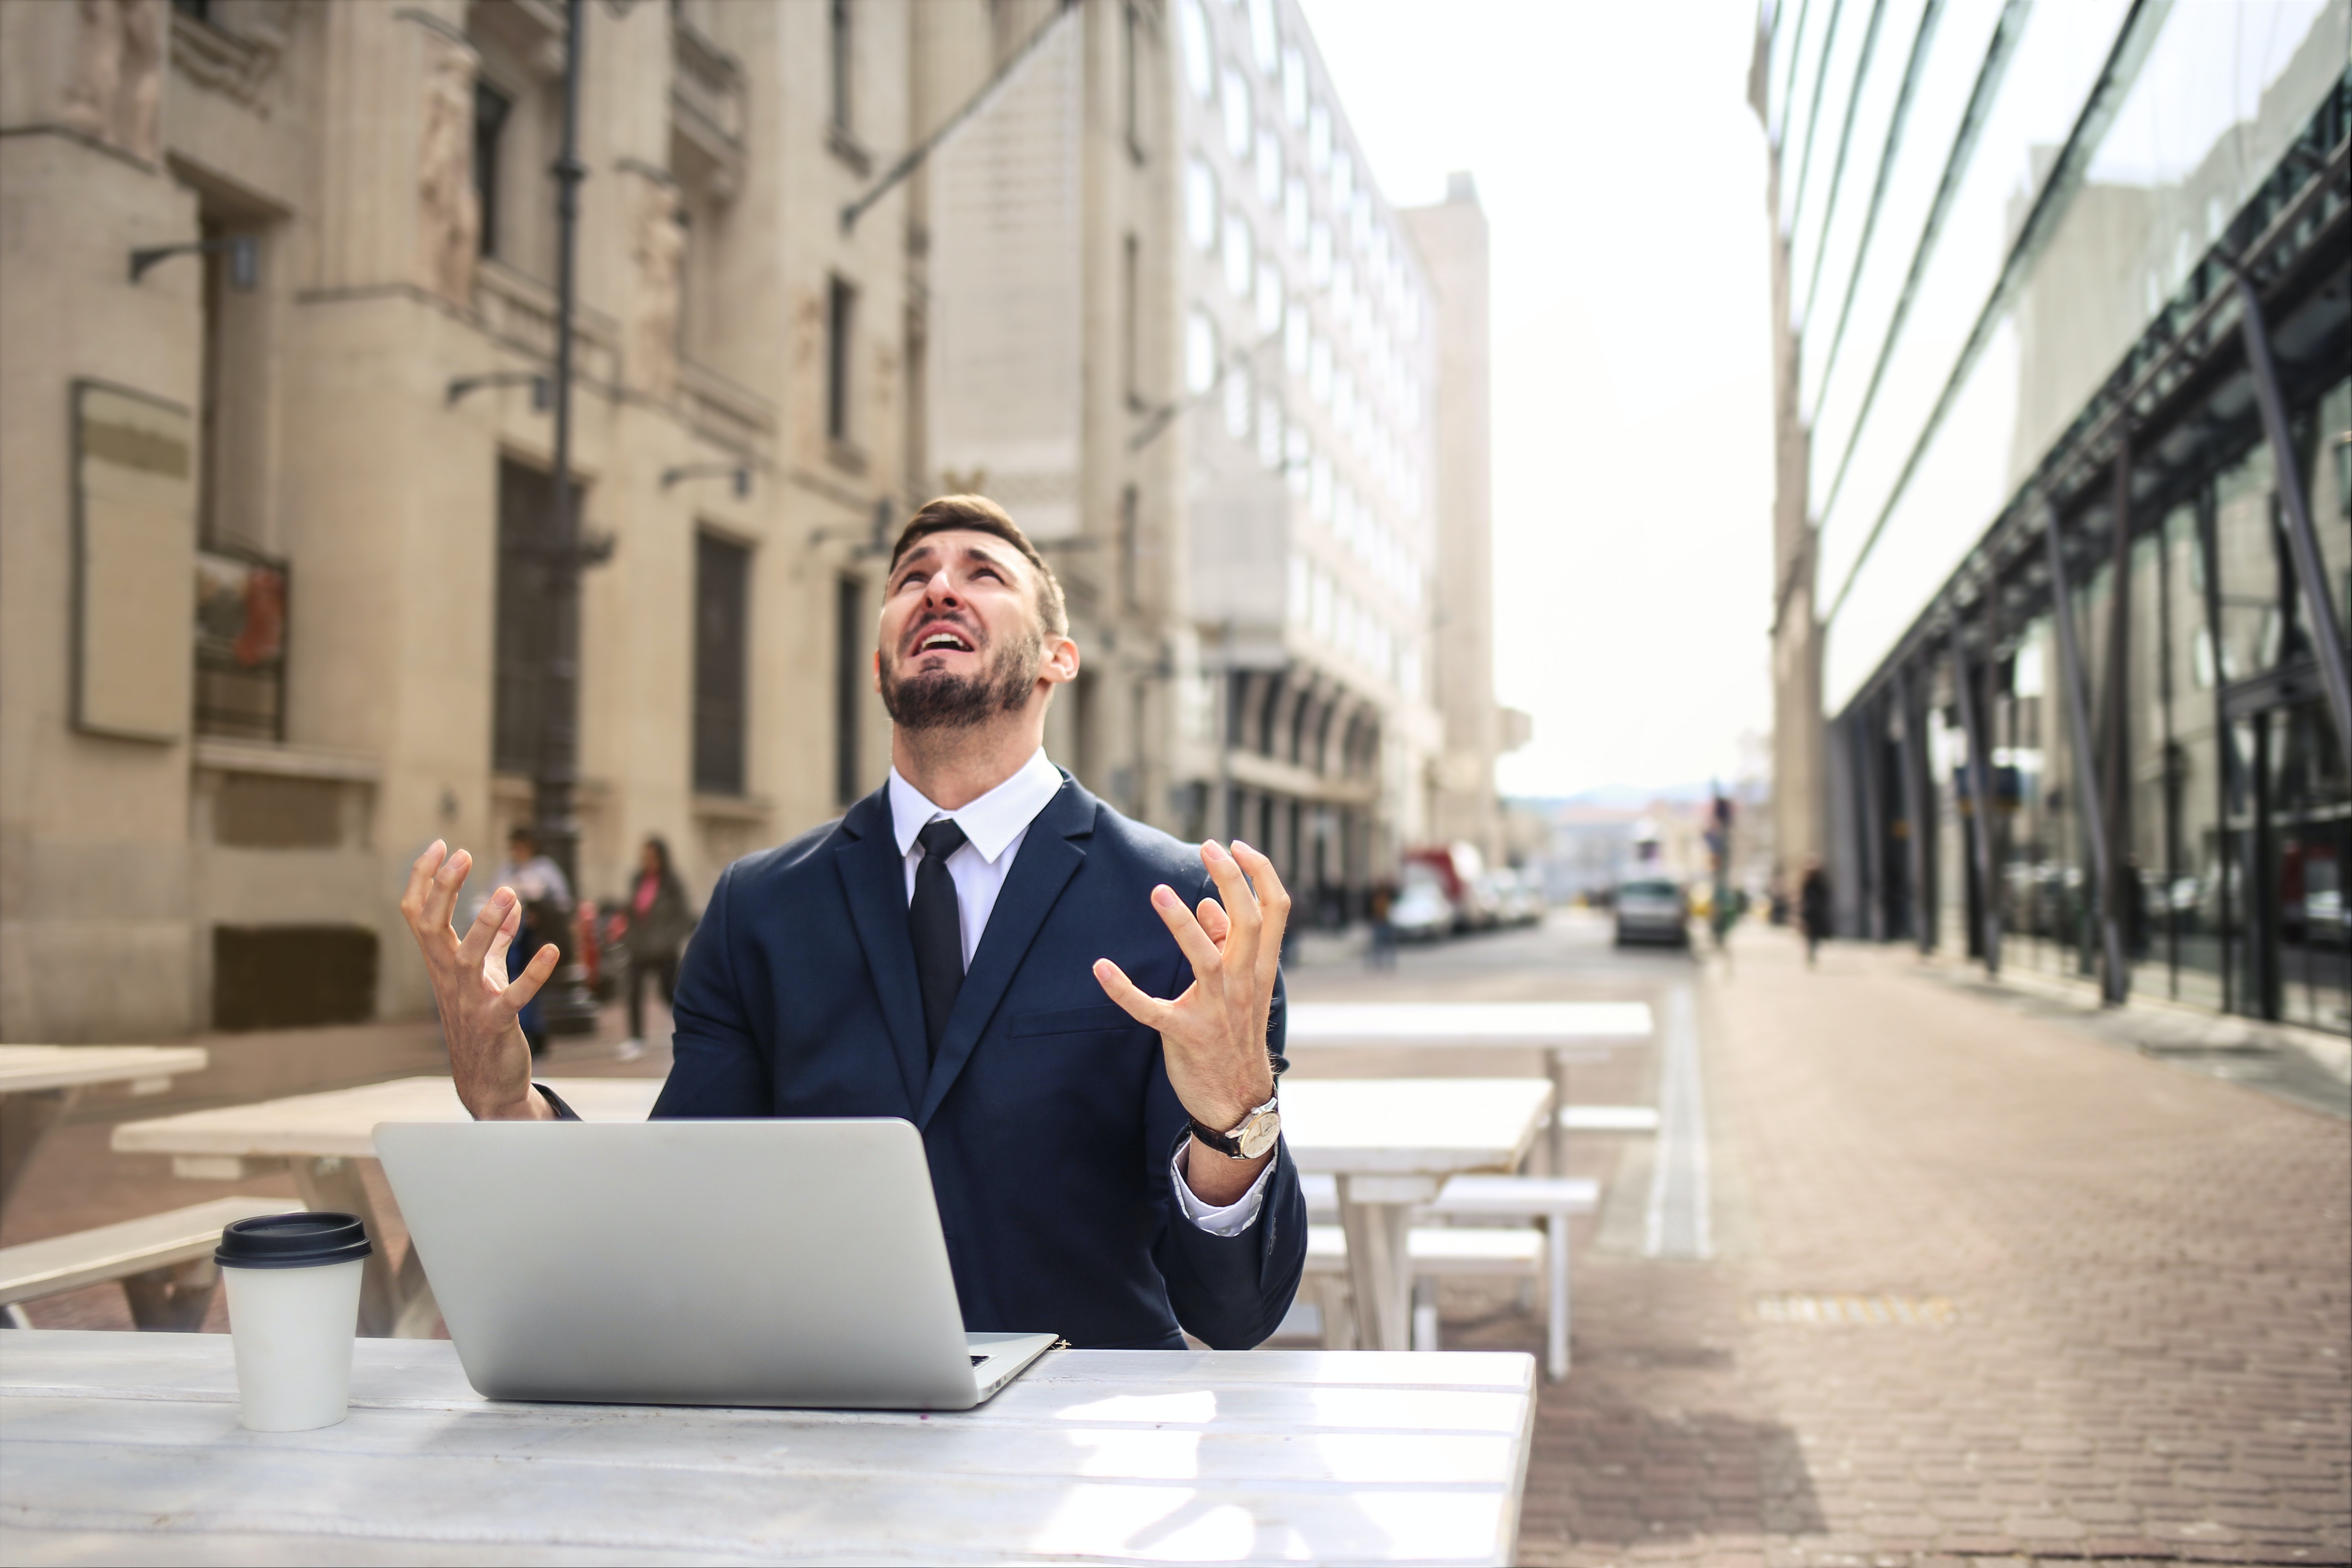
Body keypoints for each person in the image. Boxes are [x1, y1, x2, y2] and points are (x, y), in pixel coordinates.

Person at [400, 495, 1307, 1350]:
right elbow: (672, 1217)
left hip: (1079, 1450)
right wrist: (505, 1104)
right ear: (879, 666)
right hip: (824, 1437)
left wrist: (1236, 1112)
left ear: (1056, 659)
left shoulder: (1188, 909)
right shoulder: (758, 908)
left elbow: (1232, 1310)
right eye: (912, 576)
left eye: (983, 573)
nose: (939, 586)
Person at [484, 826, 572, 1056]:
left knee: (532, 982)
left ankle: (534, 1031)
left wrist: (539, 910)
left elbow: (562, 902)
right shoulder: (507, 870)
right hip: (511, 936)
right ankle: (518, 1030)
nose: (517, 851)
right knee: (511, 981)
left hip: (535, 936)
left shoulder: (544, 870)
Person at [620, 836, 693, 1058]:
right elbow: (631, 912)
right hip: (639, 948)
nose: (647, 861)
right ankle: (636, 1039)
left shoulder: (672, 883)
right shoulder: (638, 880)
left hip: (664, 950)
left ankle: (690, 1031)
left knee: (669, 993)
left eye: (651, 857)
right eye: (645, 857)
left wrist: (669, 941)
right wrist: (629, 938)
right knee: (633, 992)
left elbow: (683, 916)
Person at [1798, 856, 1831, 969]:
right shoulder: (1807, 883)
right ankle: (1811, 953)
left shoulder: (1820, 882)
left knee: (1816, 936)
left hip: (1817, 913)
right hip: (1810, 913)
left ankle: (1813, 952)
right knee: (1810, 936)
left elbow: (1825, 896)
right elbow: (1803, 898)